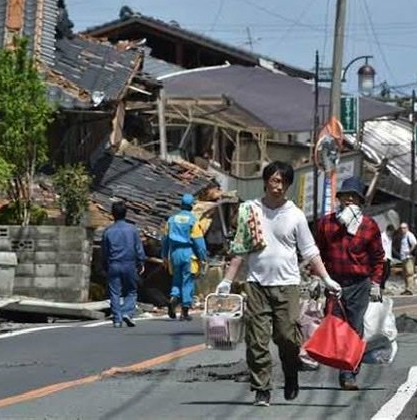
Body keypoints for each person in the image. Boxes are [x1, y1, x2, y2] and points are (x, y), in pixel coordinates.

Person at [215, 161, 342, 408]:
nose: (278, 186)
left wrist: (326, 278)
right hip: (256, 284)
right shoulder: (250, 210)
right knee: (256, 341)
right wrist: (227, 281)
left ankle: (291, 371)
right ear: (265, 181)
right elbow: (240, 248)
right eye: (274, 180)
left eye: (284, 182)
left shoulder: (295, 215)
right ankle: (262, 388)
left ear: (289, 186)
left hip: (287, 285)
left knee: (287, 337)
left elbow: (310, 250)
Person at [316, 176, 385, 391]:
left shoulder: (369, 226)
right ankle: (339, 363)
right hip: (333, 282)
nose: (349, 200)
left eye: (353, 197)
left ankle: (348, 373)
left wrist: (375, 283)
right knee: (335, 326)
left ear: (359, 201)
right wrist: (316, 279)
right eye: (345, 196)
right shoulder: (326, 223)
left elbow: (378, 257)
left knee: (355, 329)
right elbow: (316, 253)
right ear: (339, 198)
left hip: (359, 284)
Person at [162, 193, 208, 321]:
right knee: (187, 281)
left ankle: (174, 298)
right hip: (188, 253)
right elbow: (199, 242)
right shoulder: (193, 221)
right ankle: (185, 311)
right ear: (191, 206)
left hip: (174, 253)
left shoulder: (171, 220)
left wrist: (164, 256)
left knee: (176, 279)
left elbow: (165, 240)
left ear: (181, 205)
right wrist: (203, 257)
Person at [101, 201, 146, 328]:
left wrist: (104, 265)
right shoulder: (132, 230)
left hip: (114, 264)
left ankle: (117, 319)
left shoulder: (108, 231)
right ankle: (127, 312)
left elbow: (104, 251)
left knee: (115, 292)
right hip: (129, 264)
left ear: (112, 214)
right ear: (126, 213)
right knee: (131, 291)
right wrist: (141, 261)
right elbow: (138, 248)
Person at [398, 222, 417, 296]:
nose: (403, 229)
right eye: (401, 228)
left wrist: (410, 251)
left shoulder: (409, 235)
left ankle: (410, 289)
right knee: (405, 273)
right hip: (403, 257)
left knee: (409, 273)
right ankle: (407, 288)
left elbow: (414, 243)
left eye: (404, 228)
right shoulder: (403, 236)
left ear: (407, 228)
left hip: (408, 257)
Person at [380, 224, 395, 291]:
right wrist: (382, 256)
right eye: (391, 232)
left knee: (388, 273)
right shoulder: (382, 236)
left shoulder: (389, 237)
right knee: (384, 273)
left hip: (388, 257)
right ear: (388, 230)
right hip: (384, 257)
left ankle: (382, 286)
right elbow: (380, 247)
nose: (391, 233)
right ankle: (381, 286)